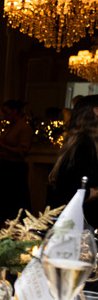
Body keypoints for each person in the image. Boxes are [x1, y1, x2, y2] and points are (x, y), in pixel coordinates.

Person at [48, 95, 98, 226]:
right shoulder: (85, 145)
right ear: (96, 111)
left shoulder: (79, 142)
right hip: (82, 221)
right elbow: (72, 190)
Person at [0, 99, 33, 227]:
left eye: (6, 112)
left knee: (14, 202)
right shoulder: (9, 127)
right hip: (4, 166)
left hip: (15, 170)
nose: (4, 116)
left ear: (15, 111)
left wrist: (1, 145)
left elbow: (22, 151)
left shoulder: (24, 128)